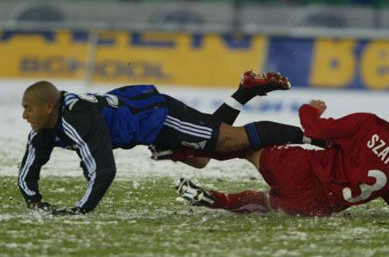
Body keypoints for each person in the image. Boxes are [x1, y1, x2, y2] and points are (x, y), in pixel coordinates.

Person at [19, 71, 324, 215]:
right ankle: (244, 92)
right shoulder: (48, 125)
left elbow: (102, 169)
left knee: (232, 140)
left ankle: (321, 138)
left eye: (28, 108)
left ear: (48, 106)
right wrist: (33, 199)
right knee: (205, 155)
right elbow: (30, 163)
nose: (24, 115)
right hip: (146, 124)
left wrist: (80, 210)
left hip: (157, 116)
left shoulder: (77, 118)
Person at [175, 92, 389, 217]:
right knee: (267, 204)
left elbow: (315, 129)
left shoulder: (371, 125)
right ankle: (220, 201)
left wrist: (309, 109)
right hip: (319, 206)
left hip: (302, 169)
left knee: (248, 145)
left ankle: (187, 150)